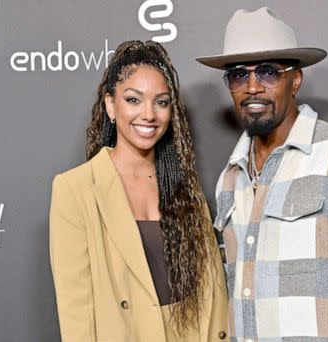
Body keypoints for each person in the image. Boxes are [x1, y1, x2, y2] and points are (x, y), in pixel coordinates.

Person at [196, 7, 328, 342]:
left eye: (268, 72)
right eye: (238, 74)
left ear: (295, 80)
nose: (252, 87)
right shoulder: (230, 178)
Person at [49, 40, 228, 342]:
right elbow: (76, 313)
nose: (149, 114)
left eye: (161, 102)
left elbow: (214, 292)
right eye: (134, 100)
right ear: (110, 105)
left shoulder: (185, 188)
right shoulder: (75, 189)